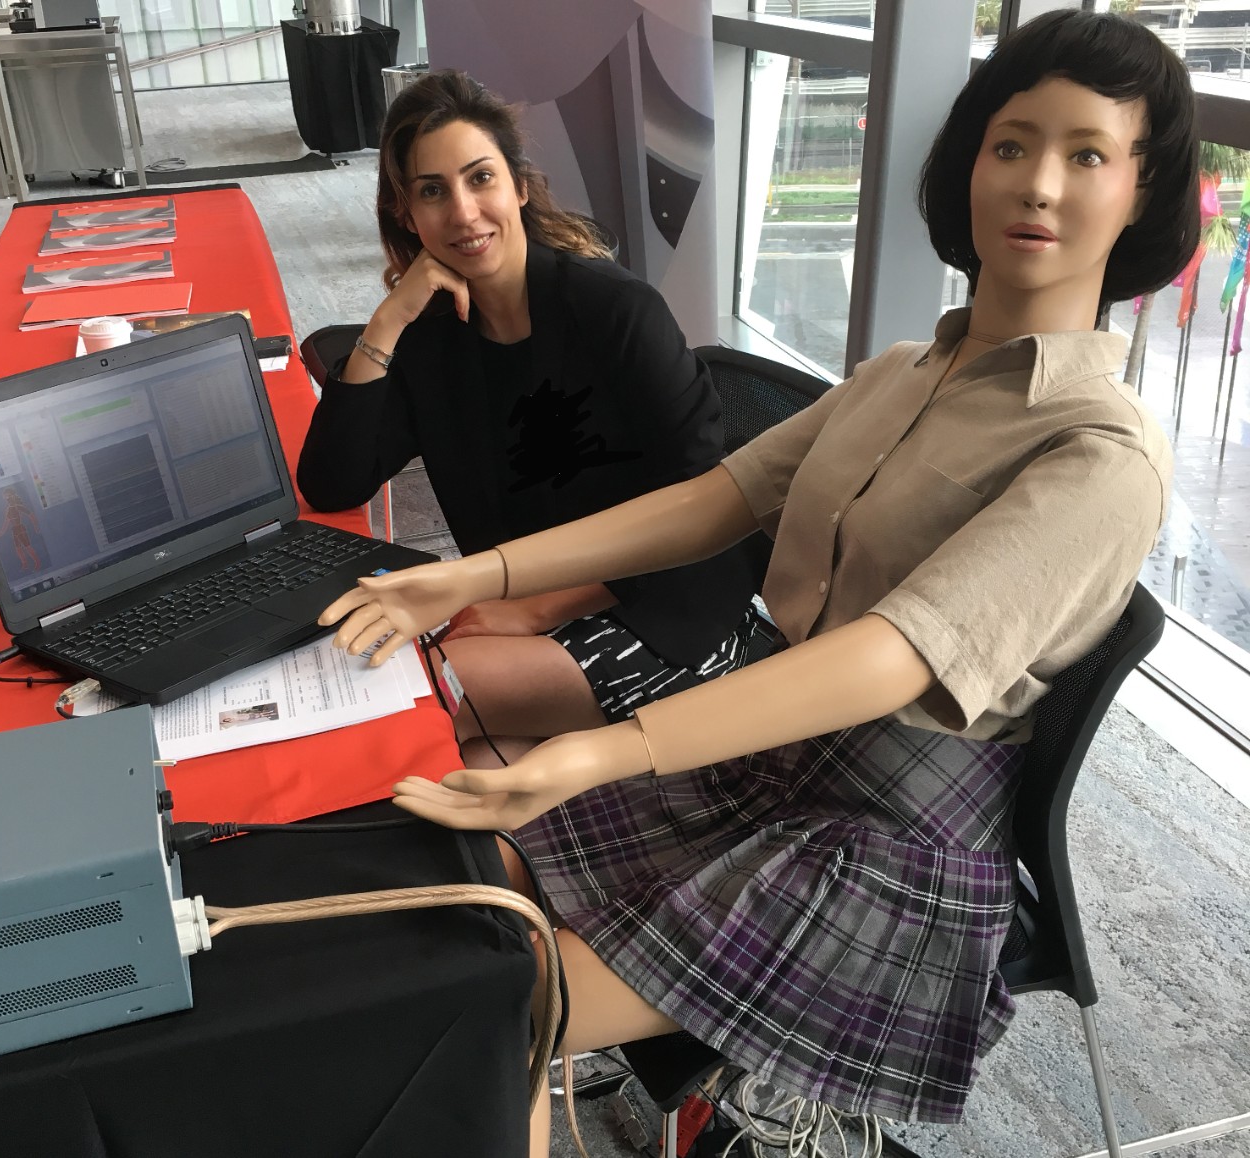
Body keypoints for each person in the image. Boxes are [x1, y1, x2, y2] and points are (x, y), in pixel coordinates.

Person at [320, 10, 1199, 1145]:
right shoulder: (898, 372)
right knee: (455, 882)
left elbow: (892, 653)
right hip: (772, 760)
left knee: (486, 1004)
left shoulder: (1098, 453)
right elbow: (711, 502)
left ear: (1141, 194)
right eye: (1009, 142)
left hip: (891, 839)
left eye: (1086, 155)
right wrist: (467, 577)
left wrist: (606, 746)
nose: (1036, 183)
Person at [296, 70, 761, 755]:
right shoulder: (430, 337)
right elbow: (333, 482)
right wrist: (390, 319)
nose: (461, 212)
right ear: (405, 213)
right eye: (432, 191)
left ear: (517, 186)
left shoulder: (614, 311)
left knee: (403, 701)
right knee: (470, 771)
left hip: (663, 604)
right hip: (516, 609)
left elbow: (702, 510)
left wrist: (533, 606)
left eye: (479, 178)